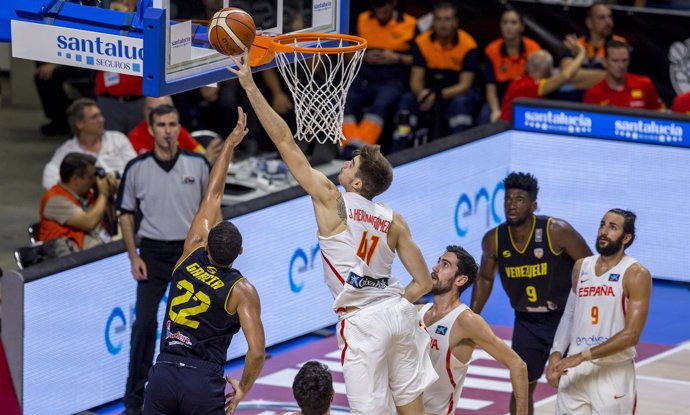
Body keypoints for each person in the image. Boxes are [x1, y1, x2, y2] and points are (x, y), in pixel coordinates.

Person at [228, 51, 437, 415]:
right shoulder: (394, 219)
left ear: (357, 181)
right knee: (411, 408)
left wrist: (249, 84)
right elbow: (423, 282)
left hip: (362, 322)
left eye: (351, 162)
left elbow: (285, 142)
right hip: (398, 315)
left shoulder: (331, 198)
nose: (344, 161)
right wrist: (390, 301)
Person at [143, 107, 265, 415]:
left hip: (164, 372)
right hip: (202, 379)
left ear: (207, 241)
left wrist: (228, 146)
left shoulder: (190, 251)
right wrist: (242, 390)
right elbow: (257, 352)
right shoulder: (241, 290)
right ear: (240, 252)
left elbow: (212, 196)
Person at [470, 172, 592, 415]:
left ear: (533, 205)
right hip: (527, 321)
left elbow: (590, 266)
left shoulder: (557, 231)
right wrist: (471, 318)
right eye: (507, 199)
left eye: (519, 199)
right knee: (521, 387)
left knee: (577, 385)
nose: (512, 205)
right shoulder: (494, 239)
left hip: (564, 318)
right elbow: (484, 278)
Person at [117, 104, 211, 415]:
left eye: (173, 124)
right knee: (144, 325)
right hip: (153, 254)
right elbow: (126, 215)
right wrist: (134, 255)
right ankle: (133, 400)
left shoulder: (197, 164)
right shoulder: (137, 168)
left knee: (191, 329)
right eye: (162, 125)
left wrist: (209, 252)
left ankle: (187, 392)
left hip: (189, 254)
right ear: (151, 128)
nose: (168, 130)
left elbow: (211, 210)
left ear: (179, 127)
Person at [545, 209, 651, 414]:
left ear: (626, 237)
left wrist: (584, 355)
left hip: (612, 373)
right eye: (602, 225)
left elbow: (631, 335)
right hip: (575, 369)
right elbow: (569, 315)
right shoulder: (581, 267)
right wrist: (556, 354)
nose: (603, 231)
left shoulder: (636, 274)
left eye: (613, 227)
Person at [419, 245, 529, 415]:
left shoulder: (465, 321)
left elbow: (518, 365)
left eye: (445, 264)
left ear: (460, 280)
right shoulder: (416, 311)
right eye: (438, 262)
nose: (435, 267)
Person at [342, 0, 417, 149]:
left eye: (385, 5)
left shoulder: (410, 23)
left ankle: (360, 149)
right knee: (343, 101)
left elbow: (420, 60)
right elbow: (346, 53)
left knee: (380, 104)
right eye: (377, 6)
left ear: (393, 4)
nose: (381, 10)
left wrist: (397, 57)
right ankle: (350, 146)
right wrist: (363, 56)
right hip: (364, 79)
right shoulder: (362, 19)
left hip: (392, 81)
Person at [401, 1, 480, 138]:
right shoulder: (422, 42)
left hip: (456, 93)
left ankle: (460, 148)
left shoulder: (468, 44)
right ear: (433, 22)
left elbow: (465, 85)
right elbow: (415, 80)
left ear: (455, 22)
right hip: (429, 91)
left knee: (461, 103)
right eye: (438, 19)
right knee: (407, 99)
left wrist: (436, 97)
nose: (443, 24)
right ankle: (400, 147)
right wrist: (424, 95)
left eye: (447, 20)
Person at [42, 98, 137, 189]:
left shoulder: (118, 139)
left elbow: (137, 170)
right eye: (94, 117)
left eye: (100, 115)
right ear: (79, 124)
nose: (101, 120)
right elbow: (49, 179)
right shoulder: (67, 151)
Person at [39, 152, 116, 257]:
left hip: (92, 252)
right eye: (90, 177)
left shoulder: (86, 194)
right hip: (68, 262)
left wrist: (111, 189)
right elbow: (89, 223)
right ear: (75, 180)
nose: (94, 181)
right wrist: (103, 194)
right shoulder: (55, 200)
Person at [500, 35, 585, 122]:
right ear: (548, 70)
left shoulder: (517, 81)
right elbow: (566, 75)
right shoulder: (534, 86)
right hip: (509, 128)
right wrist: (581, 54)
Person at [558, 2, 627, 101]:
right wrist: (606, 75)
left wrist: (578, 79)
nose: (608, 22)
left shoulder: (621, 44)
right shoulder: (577, 45)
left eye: (610, 17)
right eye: (602, 18)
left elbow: (620, 78)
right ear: (589, 23)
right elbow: (566, 75)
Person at [484, 9, 542, 123]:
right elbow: (490, 88)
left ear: (522, 27)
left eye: (513, 23)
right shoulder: (491, 50)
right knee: (485, 115)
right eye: (504, 22)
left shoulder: (533, 49)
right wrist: (496, 110)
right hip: (501, 97)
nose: (508, 27)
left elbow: (539, 83)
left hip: (525, 98)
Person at [128, 96, 222, 164]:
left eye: (162, 110)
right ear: (144, 110)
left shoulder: (178, 131)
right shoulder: (135, 137)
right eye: (151, 110)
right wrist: (205, 161)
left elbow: (202, 155)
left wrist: (212, 157)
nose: (155, 115)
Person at [583, 39, 665, 110]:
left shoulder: (644, 84)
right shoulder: (593, 94)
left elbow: (660, 115)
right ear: (605, 62)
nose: (621, 66)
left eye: (624, 60)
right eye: (615, 61)